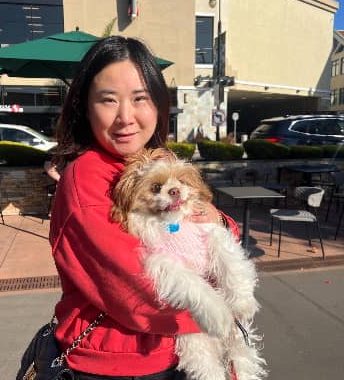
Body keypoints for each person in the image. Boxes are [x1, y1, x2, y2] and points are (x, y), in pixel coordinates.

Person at [49, 36, 239, 379]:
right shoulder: (86, 177)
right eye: (108, 100)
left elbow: (208, 223)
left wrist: (221, 225)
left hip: (179, 351)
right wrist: (225, 306)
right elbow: (140, 285)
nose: (126, 117)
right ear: (85, 107)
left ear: (158, 104)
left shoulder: (160, 160)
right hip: (121, 361)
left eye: (140, 98)